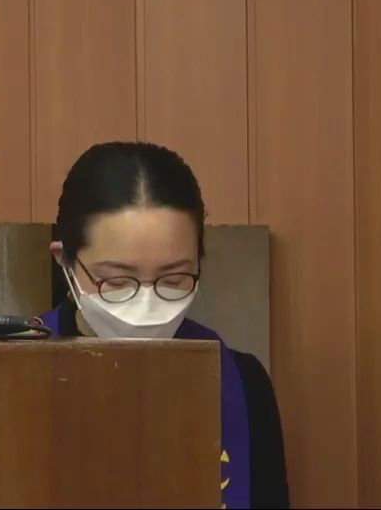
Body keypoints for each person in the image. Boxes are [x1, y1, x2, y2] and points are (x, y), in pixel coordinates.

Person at [42, 141, 290, 510]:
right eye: (117, 281)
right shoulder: (1, 375)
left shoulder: (242, 382)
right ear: (65, 261)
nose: (146, 304)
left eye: (174, 279)